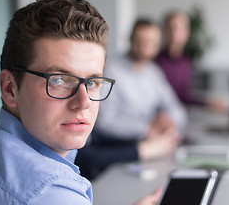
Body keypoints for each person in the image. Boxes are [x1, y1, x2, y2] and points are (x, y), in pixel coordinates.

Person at [0, 0, 160, 205]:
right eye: (59, 80)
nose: (83, 102)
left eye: (92, 82)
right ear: (10, 89)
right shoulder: (50, 192)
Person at [75, 18, 187, 180]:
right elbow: (104, 124)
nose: (144, 48)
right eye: (140, 42)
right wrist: (146, 129)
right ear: (130, 40)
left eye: (150, 43)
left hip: (152, 148)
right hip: (119, 151)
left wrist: (169, 120)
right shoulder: (111, 70)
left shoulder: (153, 72)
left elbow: (176, 108)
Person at [155, 11, 226, 112]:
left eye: (179, 28)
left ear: (187, 32)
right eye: (170, 28)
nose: (174, 33)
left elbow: (184, 96)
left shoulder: (186, 61)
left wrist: (208, 102)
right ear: (164, 31)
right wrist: (206, 103)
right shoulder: (155, 61)